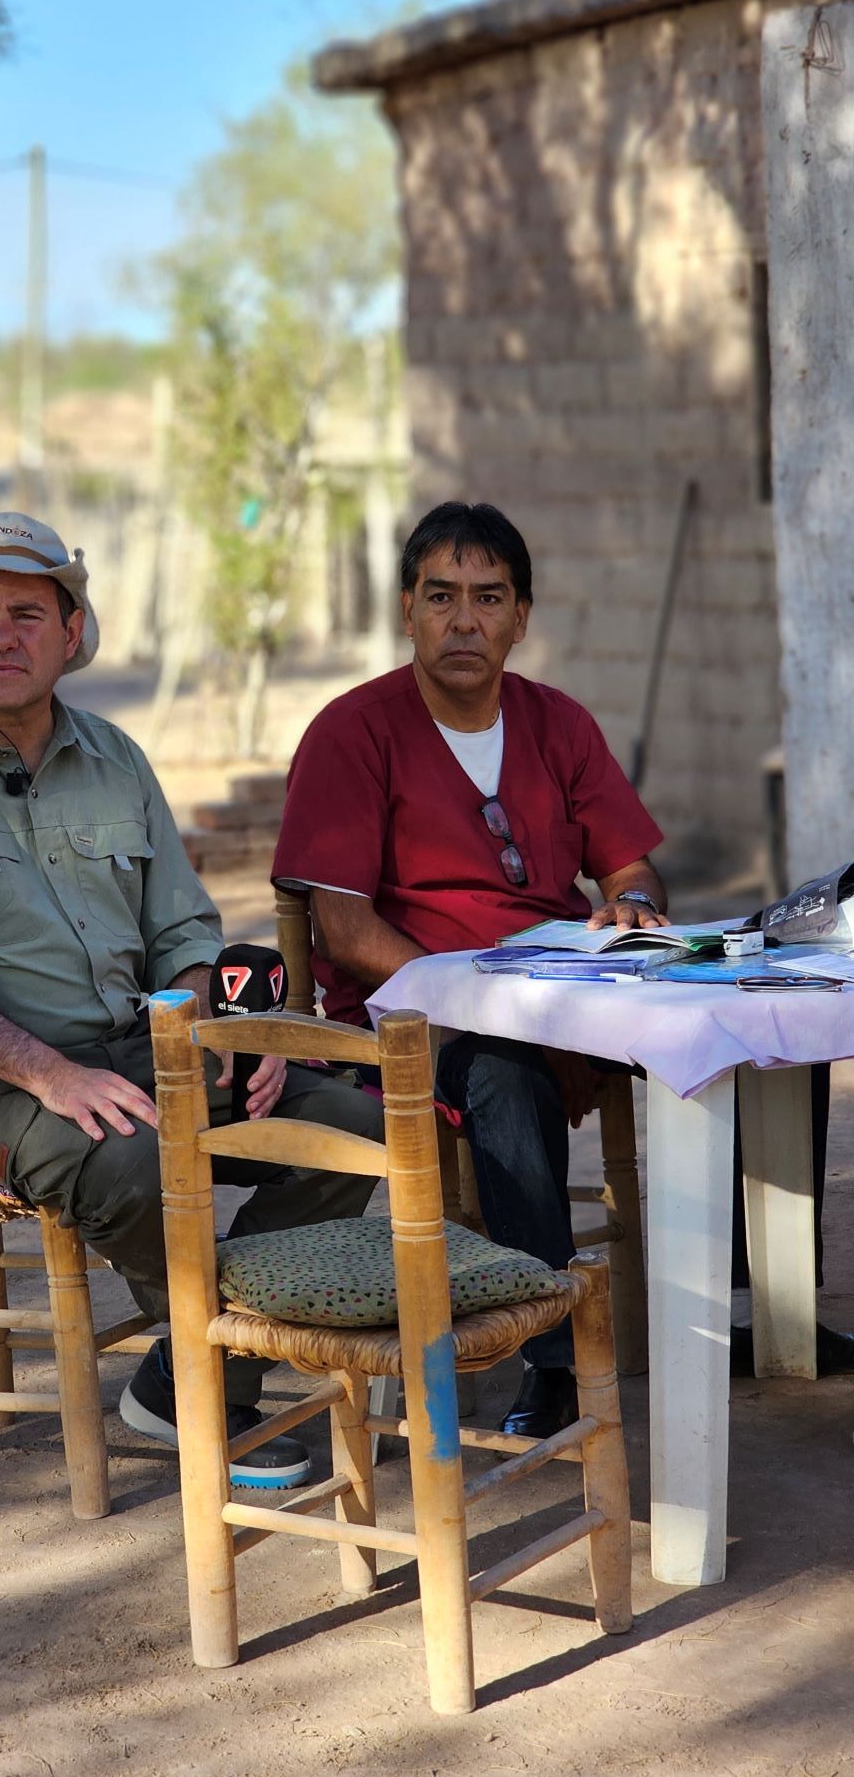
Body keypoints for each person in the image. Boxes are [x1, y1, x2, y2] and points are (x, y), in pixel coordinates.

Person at [0, 511, 383, 1490]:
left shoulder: (116, 758)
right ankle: (218, 1399)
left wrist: (220, 1027)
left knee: (347, 1124)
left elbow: (186, 934)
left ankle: (190, 1374)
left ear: (72, 632)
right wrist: (51, 1073)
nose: (4, 635)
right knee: (131, 1156)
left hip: (132, 1045)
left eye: (29, 614)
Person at [273, 500, 668, 1440]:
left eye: (488, 598)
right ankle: (557, 1356)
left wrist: (636, 907)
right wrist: (475, 994)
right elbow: (344, 926)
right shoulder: (352, 731)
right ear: (406, 608)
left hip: (566, 996)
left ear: (520, 617)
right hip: (423, 1016)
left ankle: (749, 1307)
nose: (464, 620)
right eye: (440, 595)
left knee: (756, 1031)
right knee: (502, 1069)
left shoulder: (556, 722)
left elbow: (628, 862)